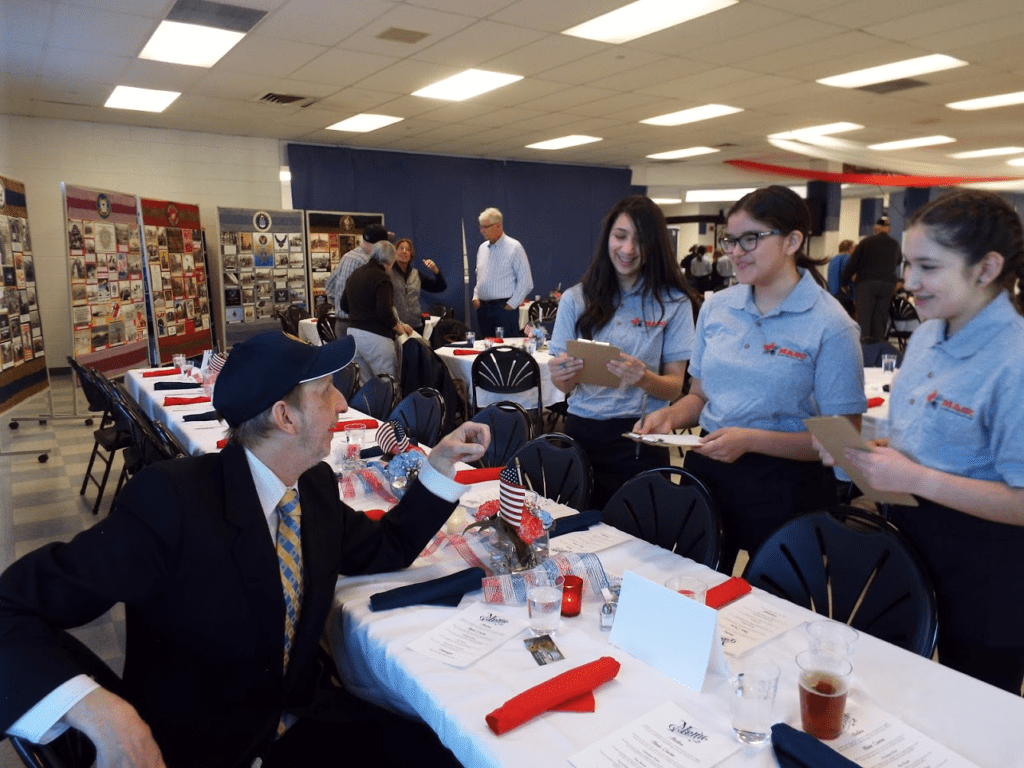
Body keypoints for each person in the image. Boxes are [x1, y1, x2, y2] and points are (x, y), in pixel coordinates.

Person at [0, 331, 489, 767]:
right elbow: (10, 606)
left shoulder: (312, 487)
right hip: (206, 747)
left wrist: (439, 466)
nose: (343, 403)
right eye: (326, 391)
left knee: (446, 747)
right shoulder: (172, 503)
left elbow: (387, 547)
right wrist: (104, 713)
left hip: (304, 719)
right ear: (285, 417)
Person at [833, 189, 1024, 694]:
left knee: (972, 706)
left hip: (990, 567)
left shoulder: (1015, 359)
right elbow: (918, 435)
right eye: (907, 265)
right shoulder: (925, 335)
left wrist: (914, 476)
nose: (909, 284)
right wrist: (863, 448)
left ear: (986, 269)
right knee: (896, 691)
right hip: (910, 541)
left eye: (928, 268)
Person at [636, 185, 866, 575]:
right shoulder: (718, 307)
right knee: (691, 589)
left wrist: (751, 439)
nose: (735, 252)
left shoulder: (831, 324)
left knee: (774, 614)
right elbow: (700, 395)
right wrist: (671, 417)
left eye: (751, 239)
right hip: (711, 472)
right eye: (731, 240)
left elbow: (843, 440)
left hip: (787, 487)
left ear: (793, 240)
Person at [548, 195, 695, 510]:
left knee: (641, 543)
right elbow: (563, 387)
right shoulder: (576, 299)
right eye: (620, 236)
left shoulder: (674, 302)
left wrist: (643, 378)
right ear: (607, 239)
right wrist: (561, 376)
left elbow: (675, 386)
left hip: (642, 435)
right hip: (583, 432)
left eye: (640, 241)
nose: (628, 250)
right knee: (579, 537)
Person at [342, 240, 413, 384]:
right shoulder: (383, 277)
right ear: (391, 260)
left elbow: (344, 305)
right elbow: (384, 312)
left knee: (365, 386)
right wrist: (398, 327)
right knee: (387, 384)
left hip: (353, 336)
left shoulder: (356, 273)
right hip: (376, 339)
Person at [472, 207, 533, 337]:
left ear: (498, 226)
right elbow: (480, 276)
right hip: (483, 308)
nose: (482, 231)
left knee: (506, 350)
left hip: (503, 309)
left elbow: (526, 281)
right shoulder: (482, 248)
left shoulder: (514, 247)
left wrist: (511, 304)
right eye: (481, 227)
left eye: (486, 227)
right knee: (486, 349)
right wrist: (476, 296)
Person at [325, 223, 390, 336]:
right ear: (380, 244)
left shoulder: (348, 256)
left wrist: (340, 306)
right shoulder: (369, 263)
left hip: (340, 324)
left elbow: (329, 286)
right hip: (359, 327)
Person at [842, 217, 901, 341]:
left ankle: (864, 353)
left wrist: (844, 281)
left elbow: (853, 263)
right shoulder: (895, 244)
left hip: (867, 283)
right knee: (880, 319)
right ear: (888, 230)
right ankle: (878, 349)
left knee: (864, 318)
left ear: (876, 229)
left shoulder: (866, 242)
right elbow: (899, 260)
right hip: (888, 285)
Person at [391, 238, 447, 333]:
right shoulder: (388, 273)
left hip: (416, 325)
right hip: (397, 326)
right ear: (394, 252)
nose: (404, 252)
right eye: (401, 248)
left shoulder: (416, 274)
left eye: (408, 249)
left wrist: (436, 272)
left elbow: (440, 287)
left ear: (411, 255)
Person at [827, 239, 856, 317]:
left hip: (833, 295)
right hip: (845, 296)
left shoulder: (833, 259)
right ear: (850, 248)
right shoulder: (848, 258)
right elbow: (852, 276)